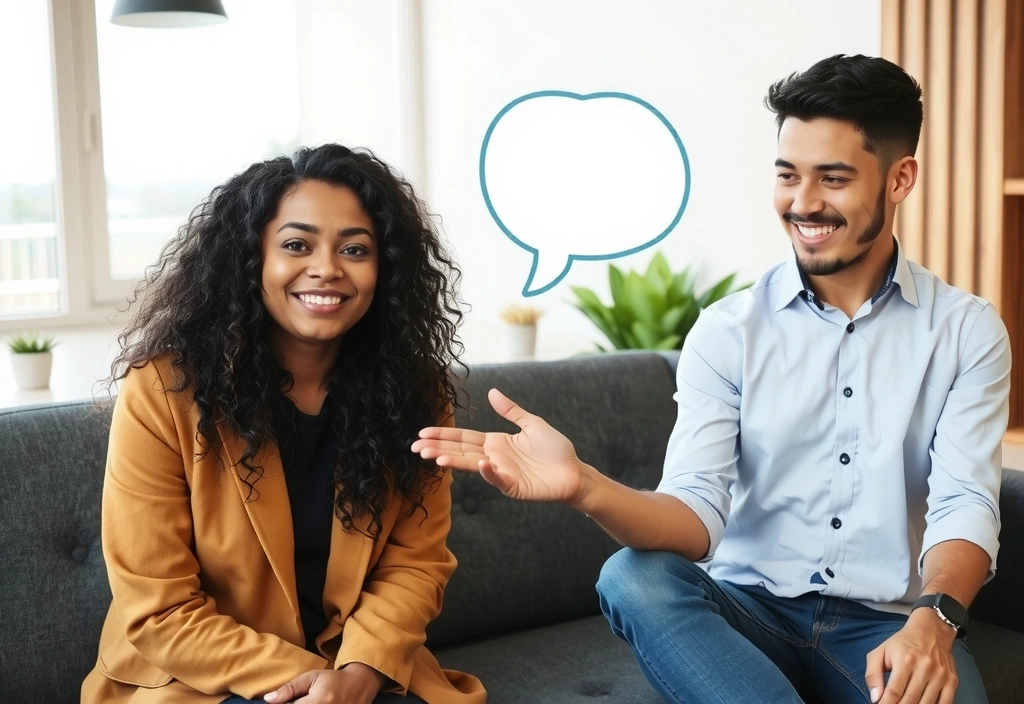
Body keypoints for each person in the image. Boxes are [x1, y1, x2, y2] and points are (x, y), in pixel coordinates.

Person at [412, 55, 1010, 704]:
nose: (803, 203)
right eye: (788, 176)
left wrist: (936, 619)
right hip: (746, 612)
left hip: (886, 622)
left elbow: (964, 504)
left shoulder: (965, 331)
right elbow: (695, 513)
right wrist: (583, 484)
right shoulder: (727, 331)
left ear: (900, 179)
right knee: (633, 578)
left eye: (833, 178)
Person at [81, 144, 485, 704]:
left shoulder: (417, 394)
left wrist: (359, 675)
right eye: (297, 245)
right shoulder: (162, 389)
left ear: (385, 268)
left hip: (361, 671)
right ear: (252, 259)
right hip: (202, 677)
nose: (327, 268)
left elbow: (415, 565)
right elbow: (160, 607)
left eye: (355, 249)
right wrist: (316, 682)